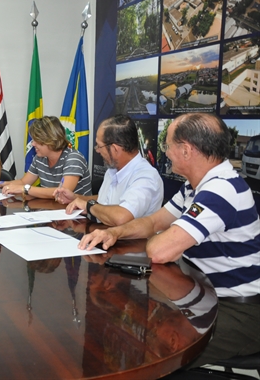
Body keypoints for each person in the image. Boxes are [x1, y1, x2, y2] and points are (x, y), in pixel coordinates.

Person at [78, 112, 260, 368]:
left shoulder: (221, 189)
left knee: (155, 358)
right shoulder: (193, 186)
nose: (166, 152)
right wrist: (114, 232)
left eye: (168, 146)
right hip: (203, 294)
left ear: (186, 150)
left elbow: (158, 251)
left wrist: (166, 237)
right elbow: (153, 221)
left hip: (236, 310)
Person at [54, 115, 163, 226]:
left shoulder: (146, 177)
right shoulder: (113, 168)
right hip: (105, 235)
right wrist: (76, 198)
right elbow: (104, 201)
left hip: (132, 242)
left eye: (99, 146)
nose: (97, 150)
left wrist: (89, 206)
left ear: (115, 149)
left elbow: (121, 217)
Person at [0, 116, 91, 199]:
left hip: (76, 217)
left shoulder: (73, 158)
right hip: (51, 212)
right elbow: (24, 182)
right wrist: (0, 184)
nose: (33, 144)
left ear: (50, 140)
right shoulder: (40, 158)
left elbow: (62, 193)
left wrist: (25, 189)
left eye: (36, 140)